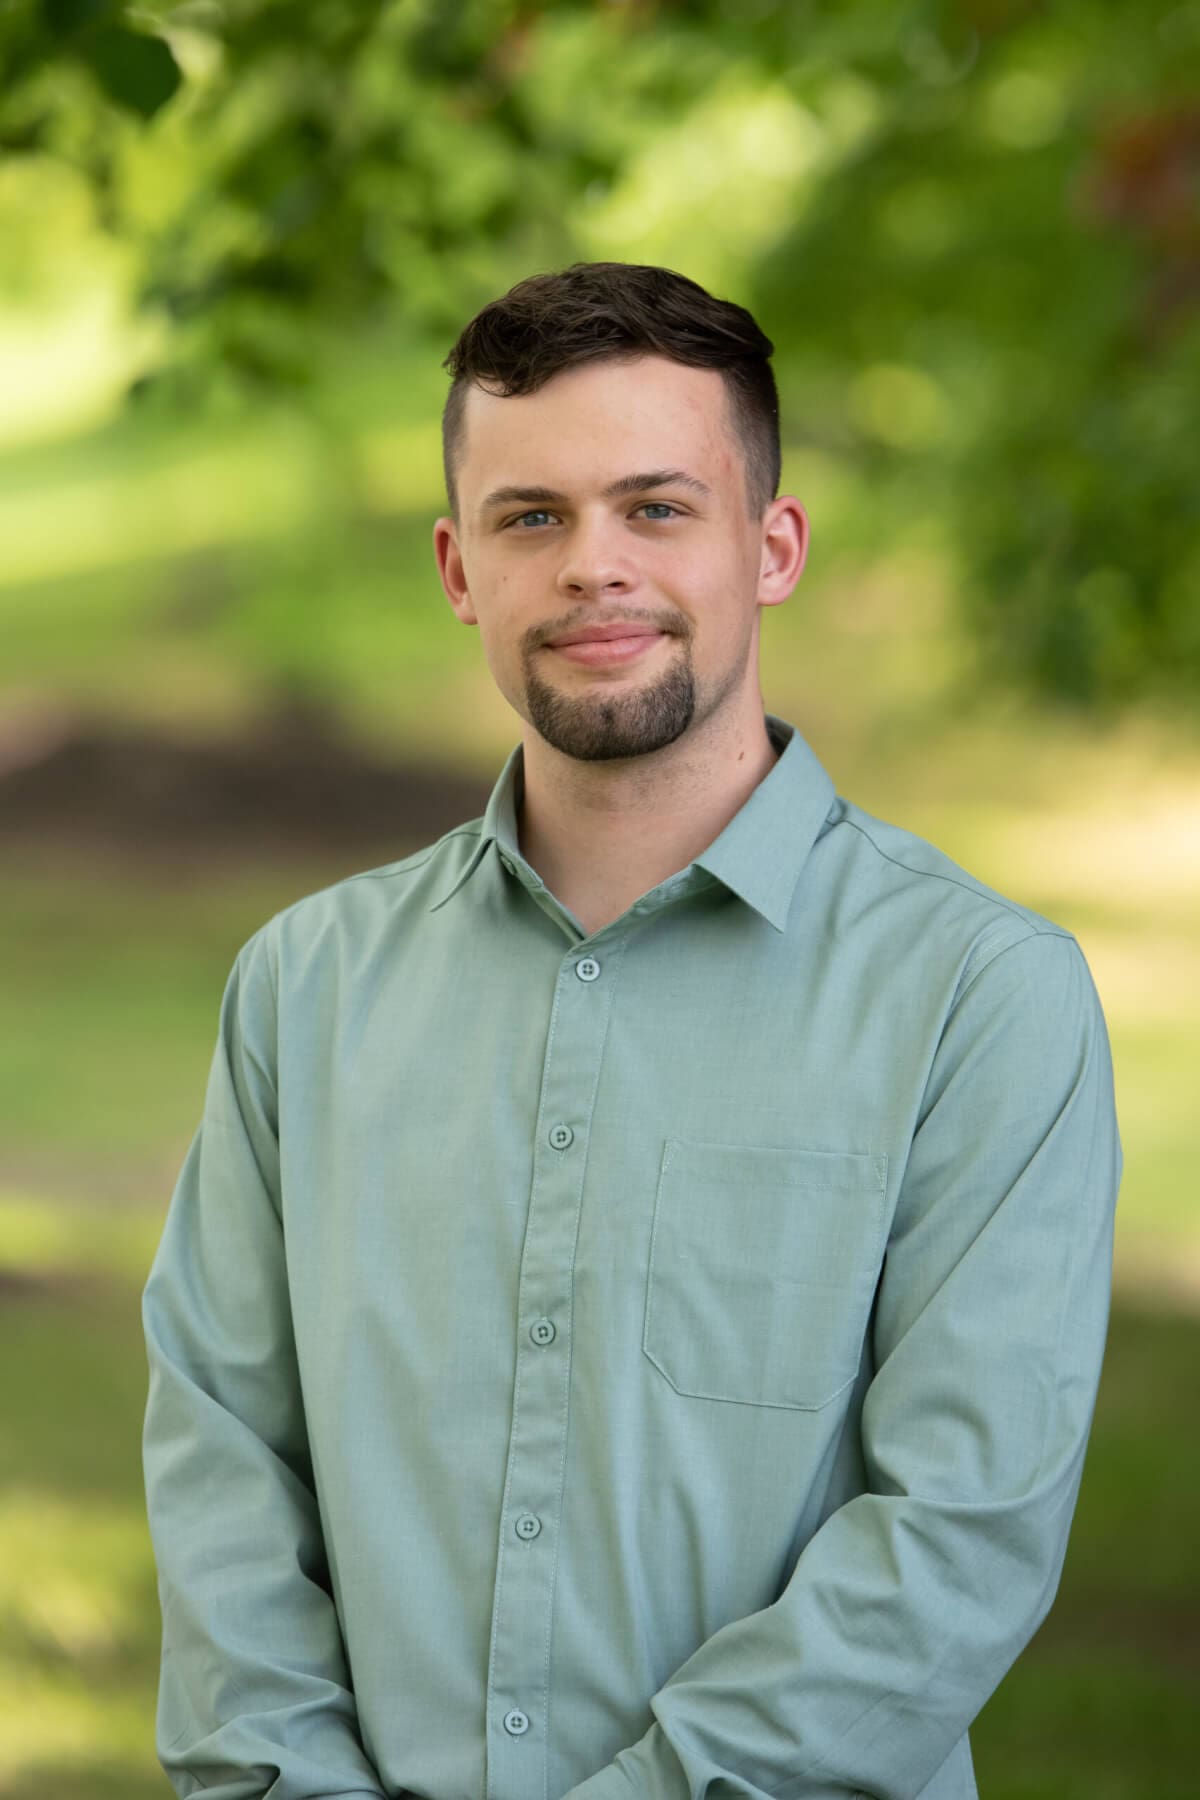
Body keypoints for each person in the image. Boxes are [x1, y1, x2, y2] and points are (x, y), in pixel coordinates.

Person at [141, 261, 1122, 1800]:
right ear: (462, 568)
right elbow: (224, 1476)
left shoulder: (981, 998)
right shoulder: (302, 988)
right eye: (533, 517)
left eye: (657, 507)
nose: (594, 565)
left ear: (771, 544)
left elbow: (959, 1534)